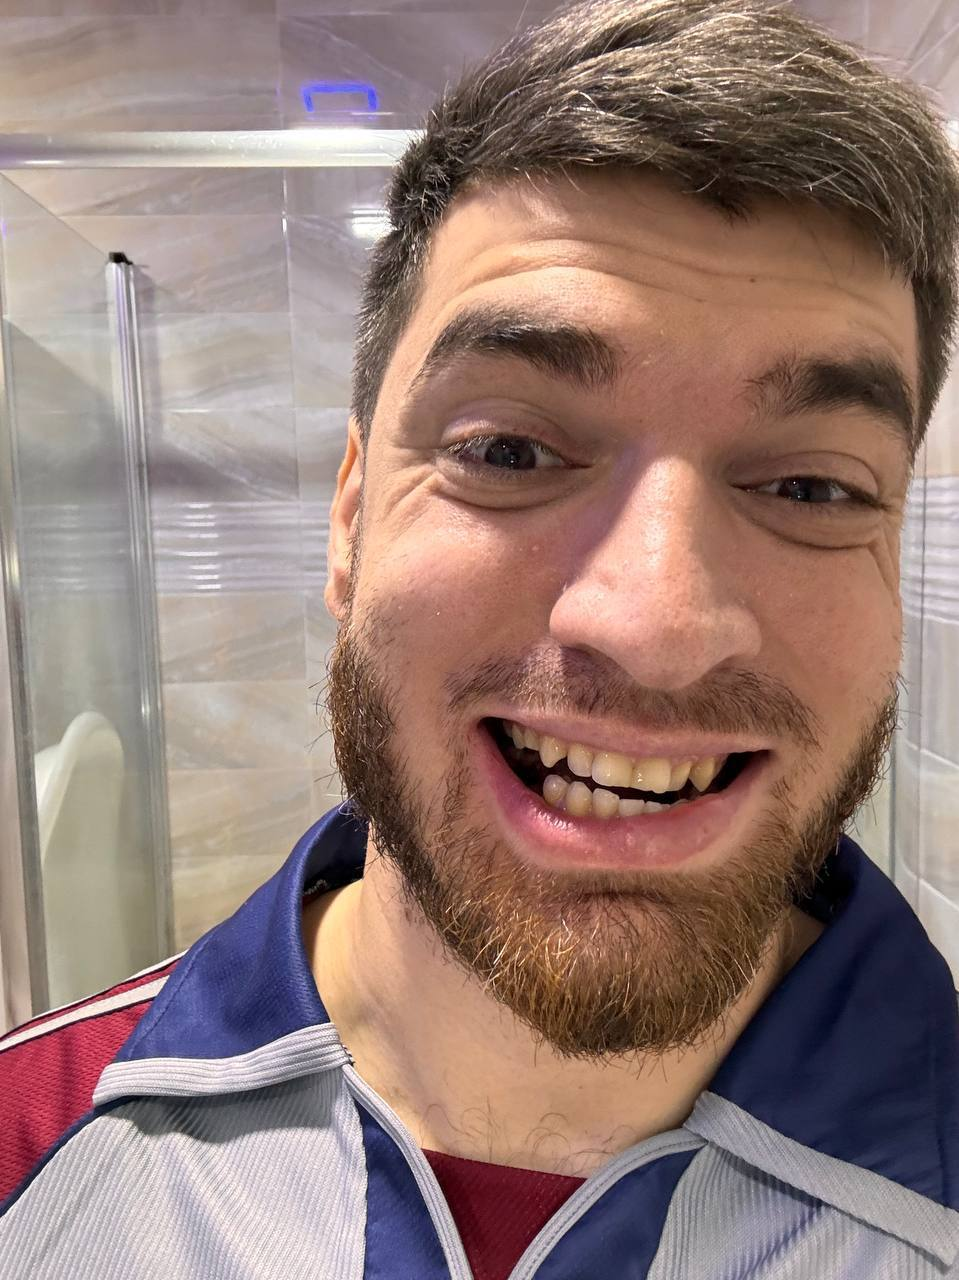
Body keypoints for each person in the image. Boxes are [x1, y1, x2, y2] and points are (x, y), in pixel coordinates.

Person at [2, 0, 958, 1275]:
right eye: (507, 451)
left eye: (809, 486)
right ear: (350, 519)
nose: (656, 627)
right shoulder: (29, 1147)